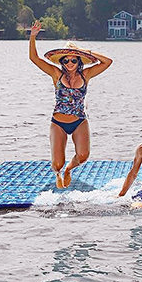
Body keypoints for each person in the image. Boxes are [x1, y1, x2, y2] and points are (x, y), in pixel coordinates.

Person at [29, 20, 112, 188]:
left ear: (79, 61)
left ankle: (69, 170)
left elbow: (107, 62)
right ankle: (59, 172)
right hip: (58, 122)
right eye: (66, 61)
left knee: (83, 155)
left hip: (79, 120)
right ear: (62, 62)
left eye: (73, 60)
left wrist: (85, 51)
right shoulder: (56, 73)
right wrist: (32, 37)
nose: (69, 64)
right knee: (56, 164)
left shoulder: (86, 74)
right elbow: (34, 58)